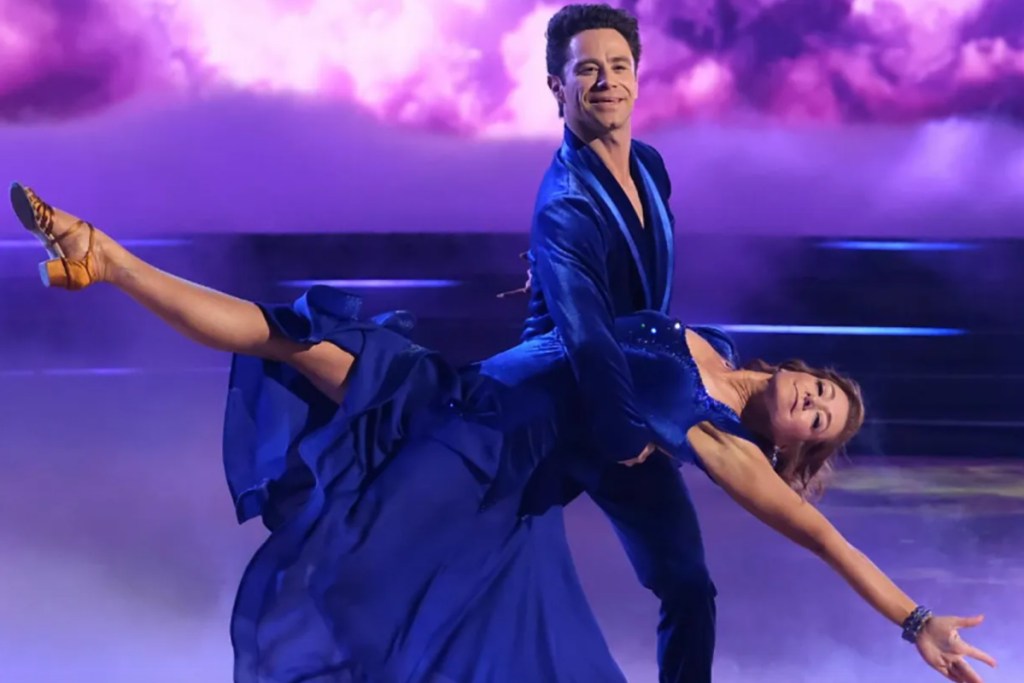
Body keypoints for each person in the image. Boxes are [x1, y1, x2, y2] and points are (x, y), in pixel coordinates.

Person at [9, 183, 997, 683]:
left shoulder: (715, 437)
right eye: (823, 390)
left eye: (821, 424)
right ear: (800, 370)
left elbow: (824, 537)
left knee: (371, 604)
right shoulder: (716, 338)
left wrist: (917, 623)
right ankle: (103, 257)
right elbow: (601, 312)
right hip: (457, 389)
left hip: (475, 463)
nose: (815, 405)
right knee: (289, 331)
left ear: (792, 447)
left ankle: (108, 261)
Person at [519, 6, 715, 680]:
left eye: (620, 66)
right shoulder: (564, 200)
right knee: (468, 561)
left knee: (689, 585)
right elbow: (588, 336)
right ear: (557, 86)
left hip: (620, 397)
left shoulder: (651, 167)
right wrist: (629, 430)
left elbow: (627, 293)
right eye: (588, 69)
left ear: (637, 76)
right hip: (552, 409)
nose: (607, 81)